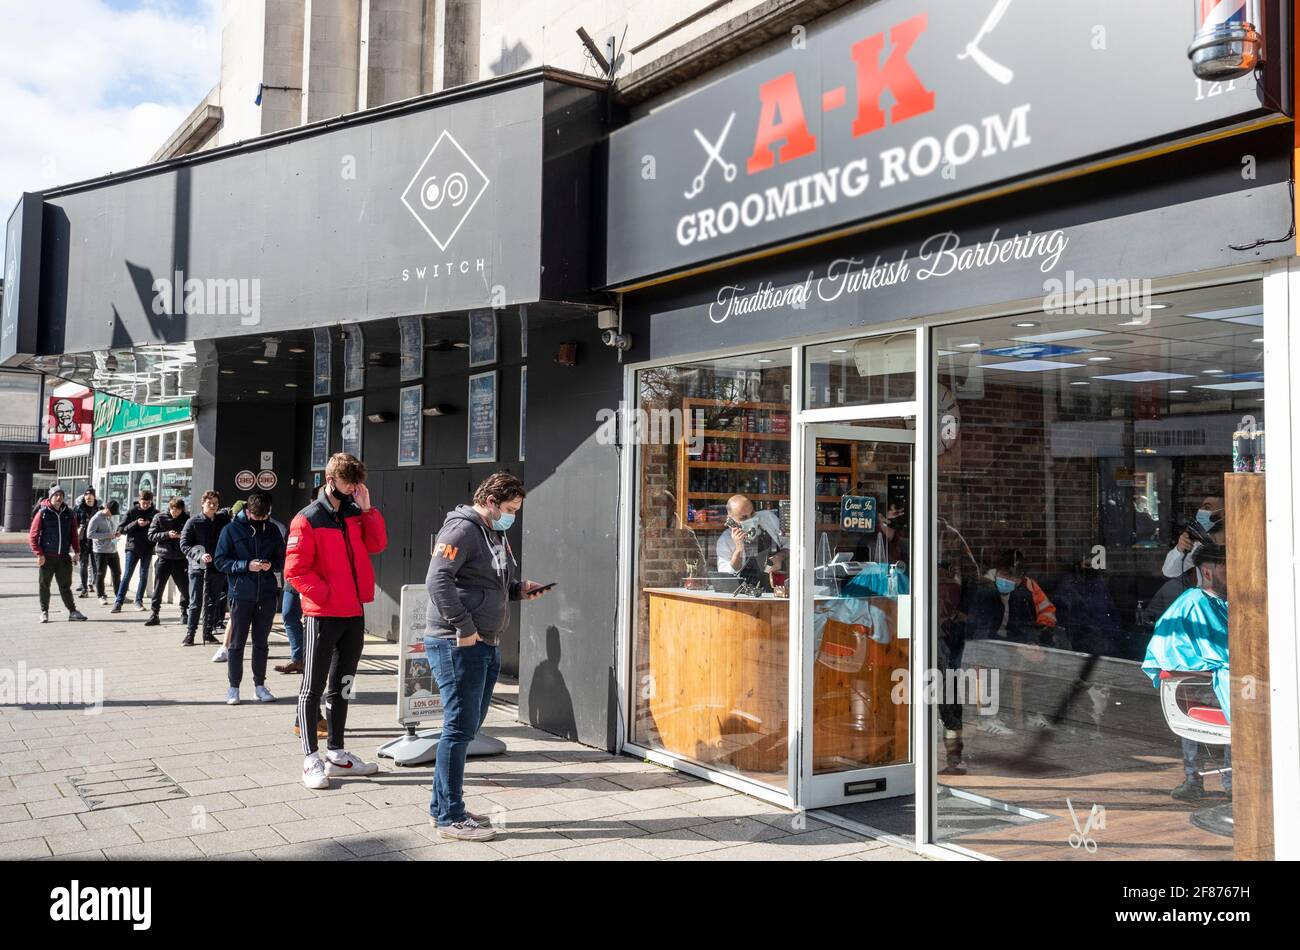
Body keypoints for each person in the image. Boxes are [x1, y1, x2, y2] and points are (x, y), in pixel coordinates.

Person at [424, 471, 549, 840]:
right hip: (460, 642)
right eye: (510, 508)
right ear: (491, 502)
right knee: (459, 728)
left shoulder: (494, 531)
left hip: (485, 640)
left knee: (466, 728)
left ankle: (442, 807)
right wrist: (463, 627)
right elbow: (438, 580)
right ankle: (451, 817)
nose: (513, 515)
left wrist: (518, 589)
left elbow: (484, 581)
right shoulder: (461, 530)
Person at [286, 453, 387, 789]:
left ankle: (338, 753)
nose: (354, 489)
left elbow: (378, 544)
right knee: (312, 687)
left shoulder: (356, 514)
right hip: (322, 614)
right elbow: (295, 571)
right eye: (349, 484)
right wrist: (326, 594)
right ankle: (310, 759)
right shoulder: (308, 518)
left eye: (358, 483)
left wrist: (369, 508)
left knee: (343, 686)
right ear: (331, 481)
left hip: (353, 613)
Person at [1142, 544, 1232, 802]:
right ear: (1207, 571)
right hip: (1199, 685)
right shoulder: (1190, 605)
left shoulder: (1229, 603)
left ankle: (1232, 781)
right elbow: (1167, 654)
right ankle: (1197, 779)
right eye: (1226, 569)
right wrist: (1216, 669)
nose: (1233, 574)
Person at [214, 492, 285, 705]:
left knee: (261, 643)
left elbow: (282, 558)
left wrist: (270, 565)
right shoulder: (231, 529)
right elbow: (219, 561)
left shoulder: (273, 529)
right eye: (257, 517)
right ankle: (233, 688)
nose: (261, 520)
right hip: (240, 594)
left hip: (266, 595)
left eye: (264, 517)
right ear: (248, 511)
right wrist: (246, 565)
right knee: (236, 644)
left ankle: (260, 686)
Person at [29, 485, 88, 624]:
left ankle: (73, 611)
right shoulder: (43, 513)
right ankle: (44, 612)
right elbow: (33, 536)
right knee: (44, 585)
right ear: (50, 497)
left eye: (61, 495)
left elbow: (74, 534)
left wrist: (77, 551)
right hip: (47, 556)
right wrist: (39, 554)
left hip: (63, 556)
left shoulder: (69, 513)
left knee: (65, 586)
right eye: (56, 495)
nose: (59, 497)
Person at [180, 490, 230, 647]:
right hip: (197, 567)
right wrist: (199, 555)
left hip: (217, 567)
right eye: (210, 503)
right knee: (195, 602)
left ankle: (208, 632)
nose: (213, 506)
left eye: (215, 503)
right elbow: (184, 544)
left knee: (213, 601)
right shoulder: (193, 522)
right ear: (203, 503)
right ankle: (190, 634)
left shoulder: (222, 521)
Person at [715, 494, 788, 586]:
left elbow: (792, 544)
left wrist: (779, 557)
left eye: (752, 513)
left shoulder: (768, 518)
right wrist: (738, 549)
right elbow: (726, 578)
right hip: (744, 591)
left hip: (776, 584)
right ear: (731, 519)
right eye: (744, 517)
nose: (751, 519)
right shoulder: (725, 540)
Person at [145, 496, 191, 628]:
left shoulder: (186, 519)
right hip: (163, 558)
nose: (176, 513)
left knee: (184, 588)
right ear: (170, 508)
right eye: (174, 510)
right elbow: (151, 535)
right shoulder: (159, 517)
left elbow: (191, 536)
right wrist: (166, 534)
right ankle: (154, 614)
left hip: (180, 559)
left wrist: (181, 535)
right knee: (158, 589)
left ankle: (184, 612)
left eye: (179, 510)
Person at [113, 489, 157, 612]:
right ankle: (118, 602)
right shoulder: (132, 512)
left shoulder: (155, 513)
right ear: (139, 501)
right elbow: (121, 529)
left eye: (148, 503)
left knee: (143, 576)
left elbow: (158, 529)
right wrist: (136, 523)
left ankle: (139, 601)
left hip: (147, 548)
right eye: (144, 503)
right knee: (127, 574)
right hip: (132, 548)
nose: (146, 505)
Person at [1161, 496, 1223, 579]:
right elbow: (1169, 571)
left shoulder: (1239, 542)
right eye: (1201, 507)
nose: (1201, 511)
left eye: (1207, 507)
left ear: (1223, 514)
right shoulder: (1198, 545)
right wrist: (1180, 549)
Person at [86, 501, 123, 606]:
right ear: (106, 508)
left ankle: (118, 595)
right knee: (101, 574)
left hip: (113, 549)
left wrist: (116, 533)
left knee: (117, 573)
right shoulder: (96, 519)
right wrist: (108, 535)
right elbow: (90, 534)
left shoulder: (112, 517)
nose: (112, 514)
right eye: (111, 512)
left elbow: (114, 529)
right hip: (100, 551)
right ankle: (101, 595)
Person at [73, 486, 99, 597]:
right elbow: (73, 525)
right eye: (86, 495)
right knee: (83, 565)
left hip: (96, 541)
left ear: (94, 497)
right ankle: (84, 588)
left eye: (90, 495)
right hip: (83, 540)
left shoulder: (99, 509)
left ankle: (99, 588)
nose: (88, 497)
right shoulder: (78, 509)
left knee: (96, 565)